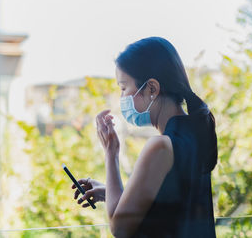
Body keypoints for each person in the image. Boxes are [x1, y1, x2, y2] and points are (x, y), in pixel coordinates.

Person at [71, 37, 218, 237]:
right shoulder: (194, 136)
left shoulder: (160, 147)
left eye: (124, 88)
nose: (122, 98)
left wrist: (111, 153)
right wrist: (109, 192)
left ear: (152, 89)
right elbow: (169, 210)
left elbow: (120, 228)